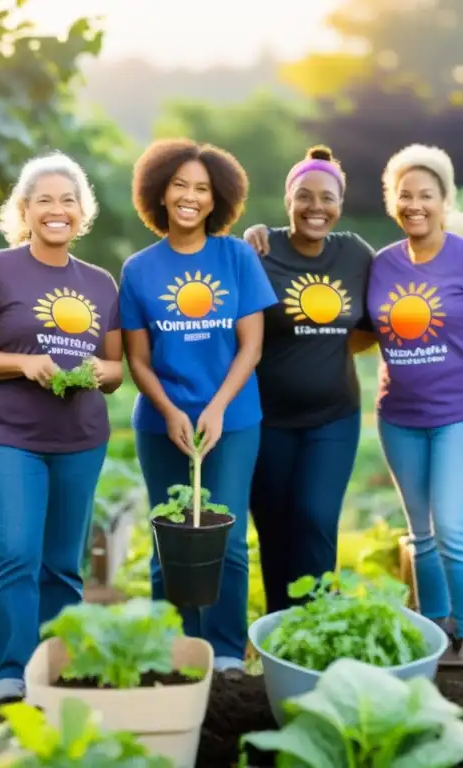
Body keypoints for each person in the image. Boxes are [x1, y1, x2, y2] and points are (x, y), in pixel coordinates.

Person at [0, 152, 123, 705]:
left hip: (80, 439)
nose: (57, 210)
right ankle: (11, 672)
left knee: (63, 566)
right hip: (10, 435)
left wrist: (103, 371)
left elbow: (118, 367)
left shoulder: (100, 283)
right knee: (17, 553)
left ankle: (56, 666)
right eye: (44, 200)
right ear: (24, 211)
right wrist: (22, 363)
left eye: (68, 200)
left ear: (81, 213)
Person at [120, 138, 277, 671]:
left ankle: (228, 653)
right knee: (171, 539)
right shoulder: (138, 270)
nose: (190, 197)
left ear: (218, 201)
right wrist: (169, 410)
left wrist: (215, 407)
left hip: (231, 422)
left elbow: (251, 346)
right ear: (159, 194)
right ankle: (178, 650)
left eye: (202, 189)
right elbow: (138, 360)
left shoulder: (236, 258)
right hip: (162, 424)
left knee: (226, 539)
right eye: (180, 186)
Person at [368, 144, 463, 676]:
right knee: (422, 535)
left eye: (426, 194)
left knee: (453, 529)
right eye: (405, 195)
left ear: (445, 201)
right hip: (399, 417)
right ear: (393, 202)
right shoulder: (381, 264)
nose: (415, 204)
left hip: (458, 416)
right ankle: (436, 633)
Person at [238, 146, 374, 614]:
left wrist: (327, 350)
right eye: (305, 196)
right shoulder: (260, 251)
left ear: (339, 203)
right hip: (265, 419)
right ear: (287, 200)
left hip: (332, 418)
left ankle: (319, 625)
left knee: (315, 518)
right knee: (274, 528)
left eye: (328, 198)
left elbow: (371, 327)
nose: (317, 207)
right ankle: (283, 633)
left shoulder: (356, 254)